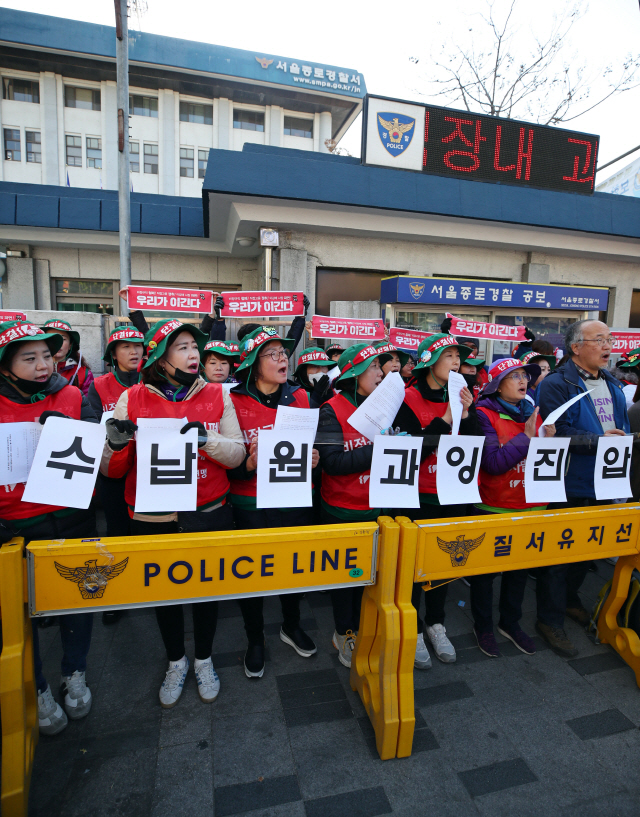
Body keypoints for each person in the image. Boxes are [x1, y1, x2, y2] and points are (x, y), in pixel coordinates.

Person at [100, 319, 246, 708]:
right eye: (182, 347)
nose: (194, 354)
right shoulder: (132, 398)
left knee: (205, 592)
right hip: (152, 518)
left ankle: (203, 659)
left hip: (209, 512)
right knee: (164, 594)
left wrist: (207, 438)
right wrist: (115, 444)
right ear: (161, 359)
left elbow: (238, 454)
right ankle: (176, 662)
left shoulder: (218, 394)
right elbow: (112, 472)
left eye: (195, 347)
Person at [0, 320, 99, 735]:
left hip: (72, 516)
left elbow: (95, 445)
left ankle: (74, 672)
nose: (43, 365)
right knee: (22, 612)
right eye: (30, 358)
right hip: (16, 525)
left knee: (77, 595)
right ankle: (37, 686)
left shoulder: (73, 394)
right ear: (6, 367)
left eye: (47, 355)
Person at [227, 325, 318, 679]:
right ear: (253, 362)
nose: (284, 360)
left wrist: (313, 460)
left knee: (292, 568)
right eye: (274, 354)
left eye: (284, 353)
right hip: (249, 504)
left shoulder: (301, 398)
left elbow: (310, 450)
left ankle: (290, 625)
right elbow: (225, 463)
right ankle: (255, 638)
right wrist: (247, 464)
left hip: (292, 500)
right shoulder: (231, 402)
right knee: (252, 574)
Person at [537, 319, 630, 657]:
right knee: (559, 556)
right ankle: (549, 619)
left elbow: (619, 428)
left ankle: (569, 601)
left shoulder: (613, 384)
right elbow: (553, 434)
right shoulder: (557, 384)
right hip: (569, 482)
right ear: (576, 347)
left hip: (605, 480)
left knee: (589, 552)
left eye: (610, 339)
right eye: (600, 340)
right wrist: (597, 441)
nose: (608, 346)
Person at [392, 333, 477, 668]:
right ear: (429, 360)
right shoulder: (407, 396)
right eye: (450, 355)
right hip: (418, 494)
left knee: (445, 563)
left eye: (459, 356)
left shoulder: (461, 395)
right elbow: (411, 447)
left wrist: (467, 413)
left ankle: (436, 622)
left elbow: (471, 445)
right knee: (414, 565)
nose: (457, 362)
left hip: (454, 491)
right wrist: (445, 420)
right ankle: (411, 628)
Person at [472, 357, 556, 657]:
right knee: (484, 575)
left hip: (530, 506)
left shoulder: (534, 412)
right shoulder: (482, 414)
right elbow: (493, 464)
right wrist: (528, 437)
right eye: (515, 375)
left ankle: (511, 622)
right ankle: (482, 626)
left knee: (518, 573)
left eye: (525, 375)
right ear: (497, 384)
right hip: (494, 506)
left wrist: (549, 440)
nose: (523, 380)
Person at [316, 344, 385, 667]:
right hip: (342, 510)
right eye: (374, 368)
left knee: (370, 578)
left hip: (378, 508)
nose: (381, 373)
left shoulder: (384, 406)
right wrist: (380, 450)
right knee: (346, 580)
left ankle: (364, 628)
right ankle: (343, 632)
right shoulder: (331, 409)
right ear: (355, 373)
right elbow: (333, 463)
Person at [88, 326, 145, 624]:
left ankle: (147, 584)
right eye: (125, 347)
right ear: (112, 354)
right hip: (113, 471)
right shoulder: (98, 386)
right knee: (117, 530)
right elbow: (90, 428)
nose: (134, 351)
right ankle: (117, 592)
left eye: (138, 345)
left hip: (147, 469)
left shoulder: (153, 380)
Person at [41, 318, 94, 395]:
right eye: (52, 338)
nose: (57, 343)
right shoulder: (35, 369)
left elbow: (88, 403)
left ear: (70, 345)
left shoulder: (84, 373)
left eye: (62, 339)